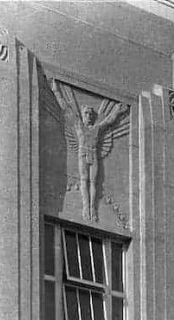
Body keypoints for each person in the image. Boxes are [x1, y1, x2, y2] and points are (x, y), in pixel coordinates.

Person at [50, 79, 127, 222]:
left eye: (91, 114)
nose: (89, 116)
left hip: (93, 154)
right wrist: (56, 91)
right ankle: (86, 207)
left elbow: (109, 120)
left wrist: (118, 110)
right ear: (83, 115)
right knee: (84, 180)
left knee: (93, 182)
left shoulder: (96, 129)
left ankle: (93, 208)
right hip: (83, 153)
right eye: (86, 113)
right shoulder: (79, 125)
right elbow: (66, 108)